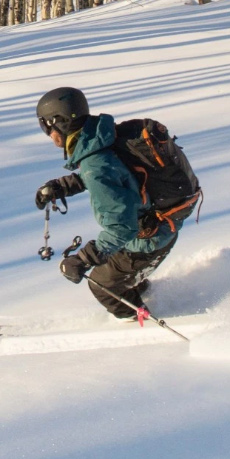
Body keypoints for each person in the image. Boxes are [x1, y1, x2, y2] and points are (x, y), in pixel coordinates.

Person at [32, 86, 179, 319]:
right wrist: (65, 186)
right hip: (161, 222)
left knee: (104, 284)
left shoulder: (94, 164)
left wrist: (83, 259)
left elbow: (122, 227)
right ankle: (150, 298)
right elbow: (117, 174)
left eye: (45, 126)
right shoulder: (102, 138)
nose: (47, 133)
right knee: (120, 275)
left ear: (60, 122)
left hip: (150, 237)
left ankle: (144, 329)